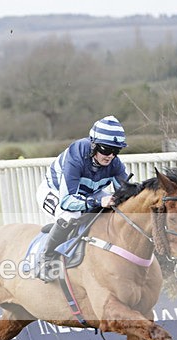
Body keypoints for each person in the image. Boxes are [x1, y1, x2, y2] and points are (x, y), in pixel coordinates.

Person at [35, 115, 129, 282]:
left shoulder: (115, 163)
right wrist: (98, 202)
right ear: (93, 145)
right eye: (106, 149)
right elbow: (67, 201)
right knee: (70, 215)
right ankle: (46, 259)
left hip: (88, 194)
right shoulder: (76, 155)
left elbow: (127, 194)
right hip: (56, 192)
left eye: (116, 150)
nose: (110, 156)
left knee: (113, 208)